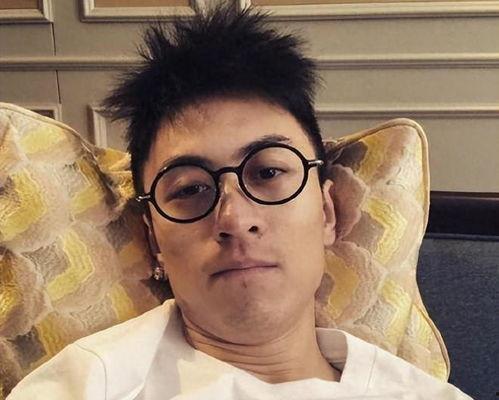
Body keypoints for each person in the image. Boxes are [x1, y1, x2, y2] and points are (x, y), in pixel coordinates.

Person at [7, 4, 472, 400]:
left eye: (268, 173)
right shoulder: (89, 384)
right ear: (154, 242)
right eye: (189, 190)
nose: (234, 217)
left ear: (327, 213)